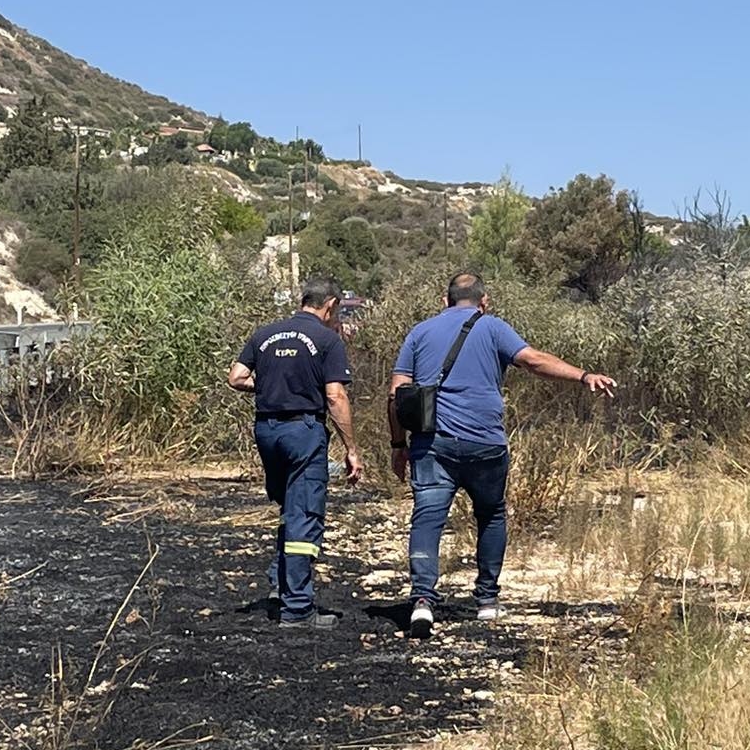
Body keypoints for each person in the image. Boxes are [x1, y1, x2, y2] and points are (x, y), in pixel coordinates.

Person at [388, 272, 615, 638]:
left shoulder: (420, 332)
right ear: (484, 301)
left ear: (444, 301)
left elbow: (396, 393)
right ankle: (487, 601)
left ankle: (423, 602)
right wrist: (583, 375)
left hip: (432, 444)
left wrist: (398, 446)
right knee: (491, 514)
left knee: (427, 519)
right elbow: (533, 361)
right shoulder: (493, 328)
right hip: (485, 444)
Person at [228, 277, 364, 629]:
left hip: (266, 431)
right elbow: (335, 397)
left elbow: (237, 377)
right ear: (330, 305)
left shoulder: (265, 334)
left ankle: (279, 585)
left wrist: (273, 383)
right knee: (304, 513)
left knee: (289, 509)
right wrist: (351, 448)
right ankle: (298, 608)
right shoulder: (327, 340)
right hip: (302, 431)